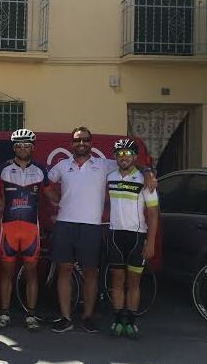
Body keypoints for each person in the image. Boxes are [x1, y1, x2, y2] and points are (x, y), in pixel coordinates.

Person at [45, 127, 156, 333]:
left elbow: (131, 163)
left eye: (85, 140)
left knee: (90, 273)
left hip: (92, 226)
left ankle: (87, 317)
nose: (81, 143)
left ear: (91, 143)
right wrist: (56, 199)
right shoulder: (62, 165)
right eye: (78, 140)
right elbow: (46, 183)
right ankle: (66, 317)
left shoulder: (104, 164)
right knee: (65, 270)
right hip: (65, 223)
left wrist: (149, 172)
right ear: (71, 143)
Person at [0, 129, 48, 331]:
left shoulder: (41, 169)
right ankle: (4, 314)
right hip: (9, 228)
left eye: (27, 146)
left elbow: (52, 195)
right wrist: (0, 206)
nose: (23, 149)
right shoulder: (3, 169)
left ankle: (31, 315)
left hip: (31, 228)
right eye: (19, 146)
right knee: (7, 273)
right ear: (14, 148)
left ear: (32, 148)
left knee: (31, 273)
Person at [106, 139, 159, 339]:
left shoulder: (145, 180)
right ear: (115, 157)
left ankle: (132, 321)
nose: (124, 157)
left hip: (137, 236)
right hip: (115, 235)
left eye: (128, 153)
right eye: (120, 154)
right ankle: (118, 319)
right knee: (117, 281)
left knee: (134, 282)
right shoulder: (110, 177)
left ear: (135, 157)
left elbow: (153, 214)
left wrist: (151, 242)